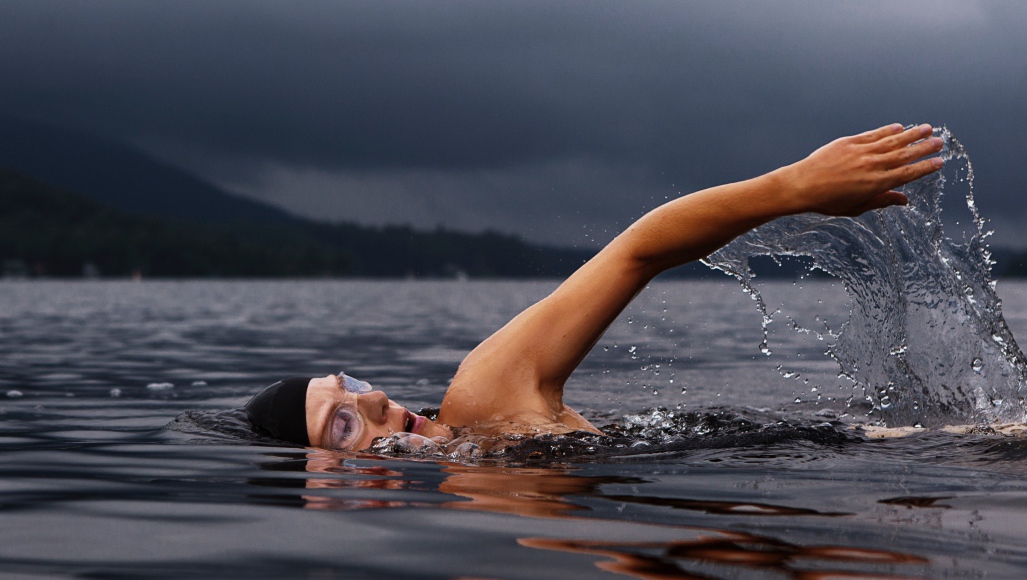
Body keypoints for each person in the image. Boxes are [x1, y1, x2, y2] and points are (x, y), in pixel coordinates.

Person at [245, 123, 945, 451]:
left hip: (908, 449)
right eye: (342, 423)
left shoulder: (484, 398)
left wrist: (793, 188)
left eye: (352, 384)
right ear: (322, 488)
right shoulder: (477, 524)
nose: (373, 399)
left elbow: (635, 252)